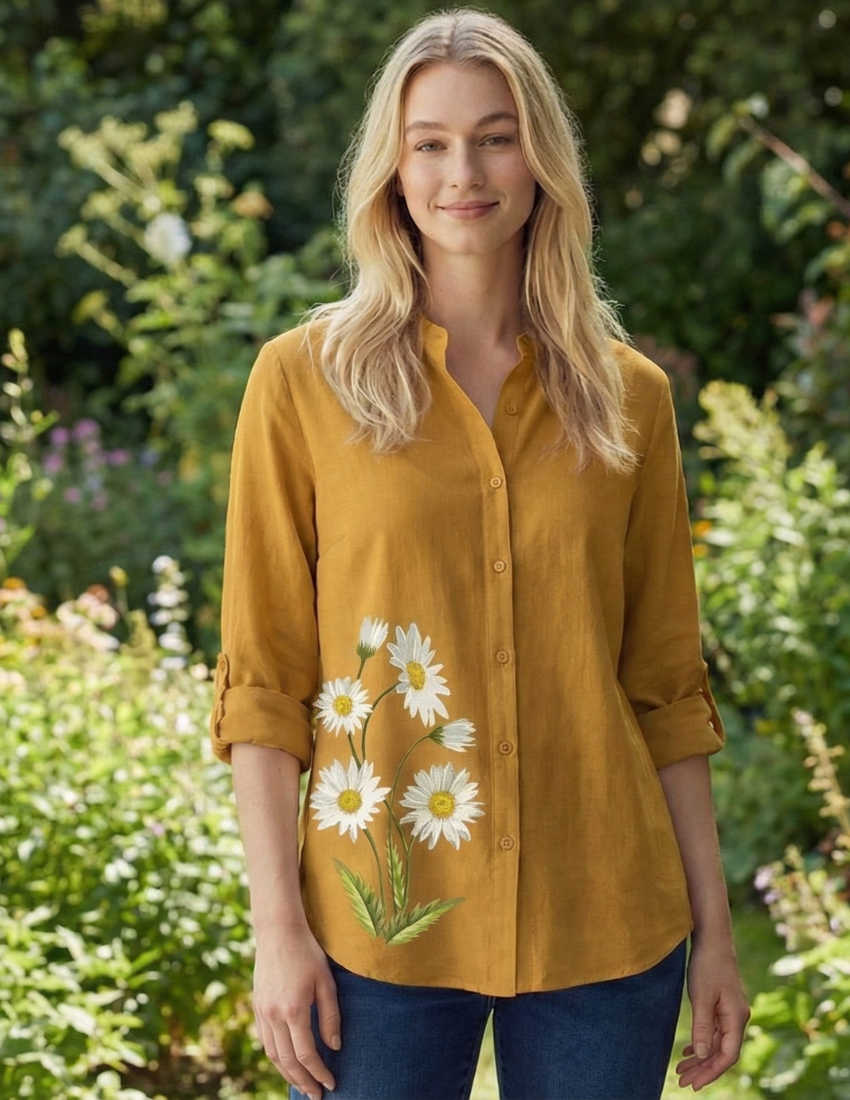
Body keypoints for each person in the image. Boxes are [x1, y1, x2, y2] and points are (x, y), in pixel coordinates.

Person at [209, 9, 750, 1100]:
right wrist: (278, 929)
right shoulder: (302, 384)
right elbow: (263, 683)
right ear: (393, 169)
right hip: (376, 931)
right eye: (431, 143)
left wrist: (717, 934)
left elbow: (663, 685)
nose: (463, 172)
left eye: (496, 138)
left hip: (605, 918)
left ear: (539, 161)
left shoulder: (627, 397)